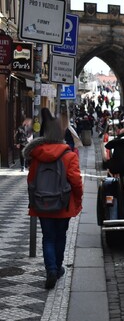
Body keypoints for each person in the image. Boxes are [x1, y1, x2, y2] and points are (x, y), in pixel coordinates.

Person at [23, 108, 83, 289]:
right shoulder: (69, 155)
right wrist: (78, 200)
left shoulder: (37, 155)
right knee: (60, 236)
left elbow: (31, 180)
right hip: (63, 204)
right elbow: (76, 182)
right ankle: (57, 268)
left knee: (48, 237)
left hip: (42, 203)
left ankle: (50, 270)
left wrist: (33, 200)